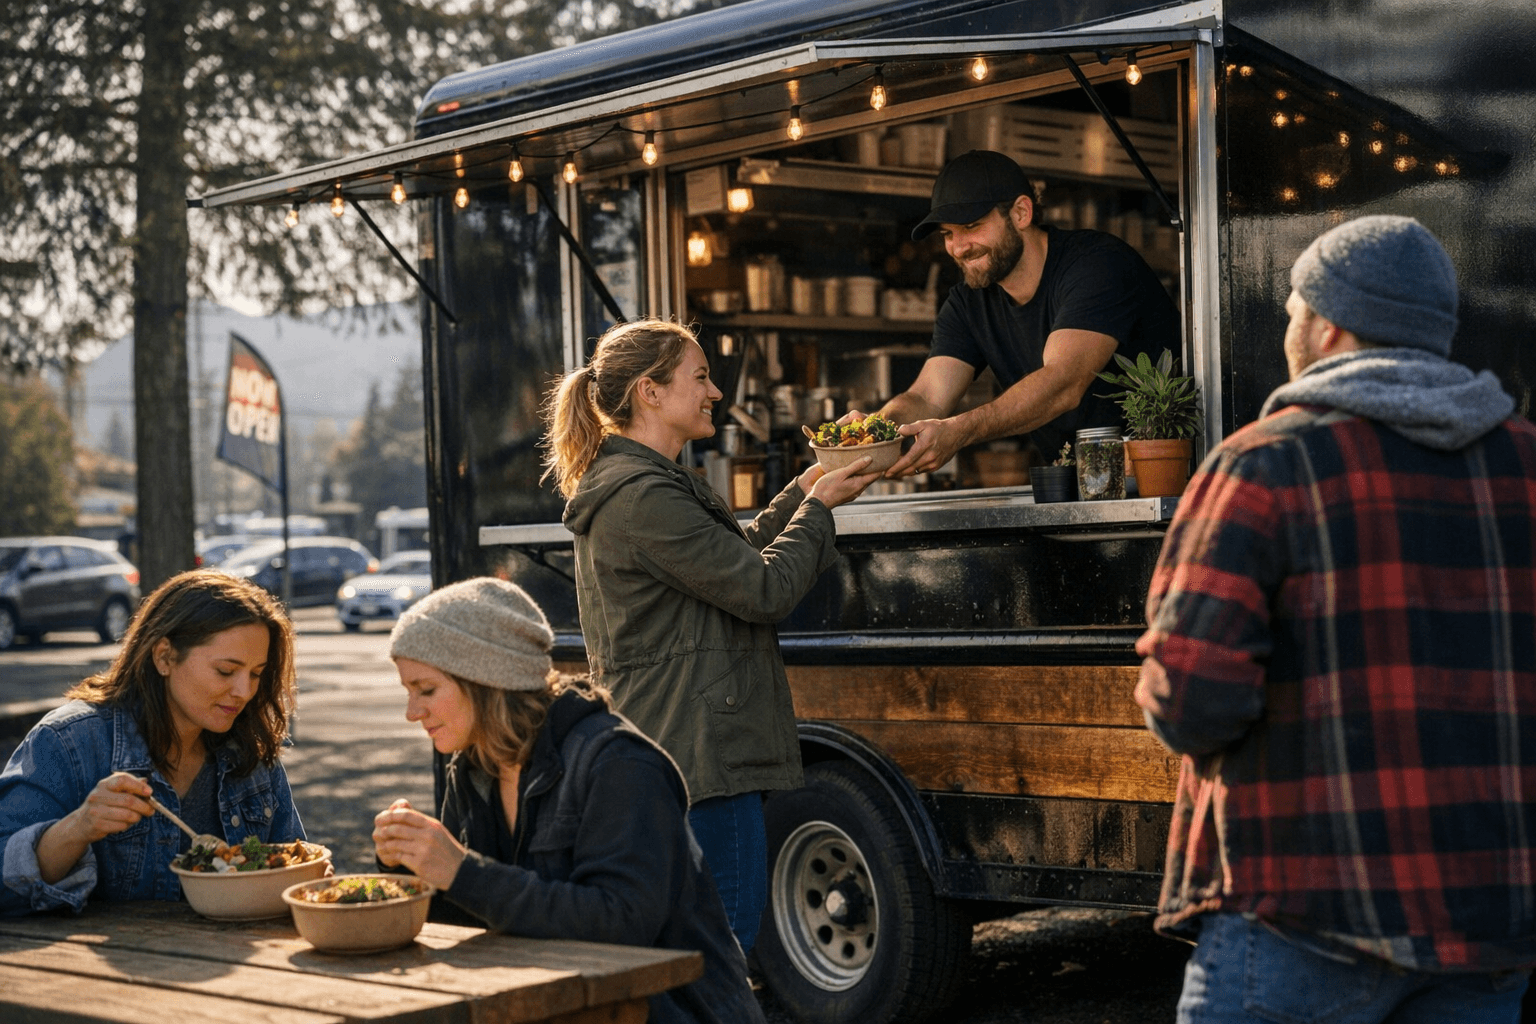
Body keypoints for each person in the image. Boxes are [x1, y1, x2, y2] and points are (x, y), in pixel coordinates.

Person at [1135, 215, 1536, 1022]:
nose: (1289, 327)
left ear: (1328, 324)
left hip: (1303, 910)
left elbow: (1193, 699)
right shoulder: (1525, 463)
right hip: (1490, 916)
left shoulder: (1264, 462)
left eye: (1292, 310)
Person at [542, 317, 879, 952]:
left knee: (695, 954)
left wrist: (804, 491)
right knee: (720, 952)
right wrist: (821, 510)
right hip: (699, 758)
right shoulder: (644, 496)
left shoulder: (648, 484)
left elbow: (732, 563)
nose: (715, 392)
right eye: (699, 377)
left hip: (681, 749)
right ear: (649, 391)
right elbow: (762, 590)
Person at [371, 577, 766, 1024]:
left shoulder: (619, 764)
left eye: (426, 690)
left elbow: (623, 923)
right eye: (408, 692)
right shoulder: (473, 766)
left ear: (485, 679)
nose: (411, 712)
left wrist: (460, 871)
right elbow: (472, 917)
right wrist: (408, 868)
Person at [0, 569, 305, 916]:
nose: (244, 692)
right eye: (225, 671)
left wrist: (306, 882)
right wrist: (78, 827)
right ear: (164, 657)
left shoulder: (250, 751)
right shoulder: (69, 742)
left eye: (256, 674)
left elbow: (295, 873)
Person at [867, 148, 1181, 478]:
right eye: (948, 234)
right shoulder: (967, 302)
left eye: (972, 226)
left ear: (1021, 213)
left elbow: (1063, 382)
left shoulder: (1097, 263)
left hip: (1166, 480)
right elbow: (927, 398)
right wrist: (876, 431)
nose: (958, 248)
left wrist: (960, 430)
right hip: (1079, 486)